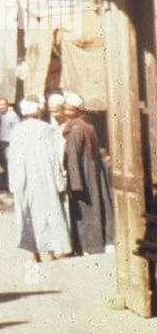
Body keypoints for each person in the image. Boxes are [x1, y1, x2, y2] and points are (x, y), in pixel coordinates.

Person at [6, 97, 70, 262]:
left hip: (24, 179)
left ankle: (33, 252)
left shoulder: (17, 131)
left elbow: (12, 159)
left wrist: (13, 183)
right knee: (48, 212)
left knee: (28, 214)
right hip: (44, 178)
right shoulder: (47, 129)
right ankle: (50, 250)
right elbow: (55, 156)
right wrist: (59, 181)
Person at [63, 92, 114, 255]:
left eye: (69, 109)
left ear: (76, 110)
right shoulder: (87, 126)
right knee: (98, 208)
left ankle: (90, 246)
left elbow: (73, 158)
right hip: (92, 175)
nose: (66, 112)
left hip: (83, 177)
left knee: (86, 213)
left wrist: (75, 184)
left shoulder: (76, 129)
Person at [0, 97, 19, 181]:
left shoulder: (13, 116)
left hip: (8, 144)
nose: (1, 107)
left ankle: (10, 182)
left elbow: (17, 129)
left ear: (7, 105)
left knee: (9, 163)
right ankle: (2, 182)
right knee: (0, 164)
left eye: (3, 105)